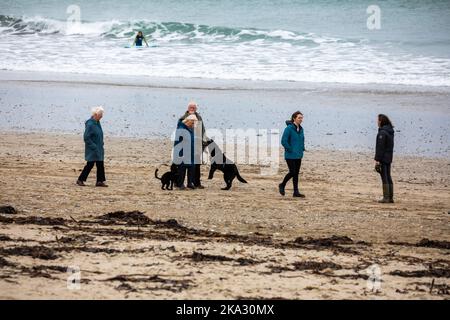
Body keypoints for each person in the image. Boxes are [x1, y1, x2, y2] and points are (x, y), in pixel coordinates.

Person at [76, 106, 108, 187]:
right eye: (100, 114)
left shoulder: (97, 122)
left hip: (99, 148)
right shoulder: (90, 124)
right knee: (90, 164)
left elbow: (98, 134)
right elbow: (86, 137)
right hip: (93, 149)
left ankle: (100, 181)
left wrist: (101, 143)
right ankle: (80, 180)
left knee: (100, 164)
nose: (102, 116)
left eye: (102, 114)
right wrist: (94, 146)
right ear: (95, 114)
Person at [179, 101, 208, 189]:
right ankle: (180, 183)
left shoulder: (199, 118)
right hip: (186, 145)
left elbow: (203, 130)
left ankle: (196, 183)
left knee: (196, 165)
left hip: (197, 144)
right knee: (183, 166)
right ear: (188, 108)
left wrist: (204, 141)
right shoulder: (183, 118)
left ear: (196, 109)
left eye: (194, 108)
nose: (192, 109)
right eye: (191, 107)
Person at [279, 111, 305, 198]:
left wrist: (302, 148)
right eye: (299, 118)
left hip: (298, 155)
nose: (301, 119)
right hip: (290, 155)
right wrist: (290, 149)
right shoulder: (289, 128)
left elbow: (301, 140)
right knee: (292, 172)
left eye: (302, 118)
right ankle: (282, 185)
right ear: (294, 118)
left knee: (296, 173)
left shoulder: (301, 129)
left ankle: (296, 192)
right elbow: (283, 141)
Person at [173, 114, 199, 189]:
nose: (193, 124)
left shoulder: (191, 129)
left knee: (192, 167)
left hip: (191, 152)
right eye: (192, 122)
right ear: (188, 121)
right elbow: (178, 142)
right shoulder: (181, 128)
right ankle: (180, 184)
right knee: (182, 168)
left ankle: (189, 183)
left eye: (194, 123)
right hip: (182, 152)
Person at [375, 114, 395, 203]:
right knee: (388, 176)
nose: (377, 122)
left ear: (381, 121)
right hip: (389, 157)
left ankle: (386, 198)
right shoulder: (390, 131)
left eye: (378, 120)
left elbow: (380, 147)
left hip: (383, 158)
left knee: (384, 176)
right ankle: (390, 197)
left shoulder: (382, 133)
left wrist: (377, 159)